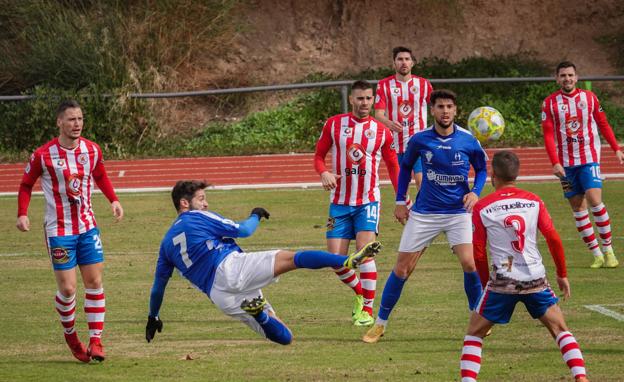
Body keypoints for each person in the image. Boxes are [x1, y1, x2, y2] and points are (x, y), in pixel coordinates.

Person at [145, 180, 382, 345]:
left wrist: (153, 317)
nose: (206, 204)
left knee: (285, 337)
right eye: (201, 199)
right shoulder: (196, 217)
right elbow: (244, 230)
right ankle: (348, 259)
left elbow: (158, 286)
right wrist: (256, 214)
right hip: (230, 268)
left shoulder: (166, 243)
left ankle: (260, 315)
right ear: (184, 204)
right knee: (293, 258)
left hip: (219, 296)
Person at [363, 89, 488, 343]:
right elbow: (405, 166)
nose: (445, 111)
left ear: (456, 110)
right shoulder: (420, 139)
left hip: (458, 213)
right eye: (440, 106)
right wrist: (400, 200)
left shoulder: (468, 139)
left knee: (469, 264)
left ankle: (478, 318)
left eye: (449, 107)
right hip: (424, 214)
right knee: (402, 269)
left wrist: (475, 192)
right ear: (432, 110)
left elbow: (483, 168)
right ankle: (380, 323)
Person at [458, 150, 588, 382]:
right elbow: (554, 238)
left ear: (492, 175)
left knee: (475, 333)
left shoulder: (483, 207)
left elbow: (478, 251)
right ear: (517, 174)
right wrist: (562, 274)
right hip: (535, 278)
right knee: (559, 328)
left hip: (503, 281)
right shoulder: (533, 200)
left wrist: (487, 281)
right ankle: (581, 377)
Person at [16, 99, 124, 363]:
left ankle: (96, 340)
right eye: (72, 119)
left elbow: (100, 176)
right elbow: (26, 185)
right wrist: (22, 214)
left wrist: (114, 200)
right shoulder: (43, 155)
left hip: (88, 227)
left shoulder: (92, 150)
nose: (77, 124)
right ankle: (71, 336)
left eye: (80, 119)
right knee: (67, 290)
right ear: (59, 122)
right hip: (59, 230)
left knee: (95, 282)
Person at [314, 80, 403, 327]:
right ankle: (361, 293)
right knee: (335, 260)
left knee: (365, 254)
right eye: (360, 98)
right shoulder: (334, 124)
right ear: (351, 99)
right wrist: (324, 173)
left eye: (368, 98)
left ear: (374, 100)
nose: (364, 103)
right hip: (339, 203)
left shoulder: (382, 131)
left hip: (368, 201)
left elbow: (394, 166)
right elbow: (319, 156)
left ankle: (366, 309)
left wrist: (401, 198)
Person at [541, 60, 623, 269]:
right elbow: (548, 136)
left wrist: (616, 148)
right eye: (563, 75)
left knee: (595, 200)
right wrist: (555, 162)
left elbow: (603, 123)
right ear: (557, 78)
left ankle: (609, 250)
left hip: (588, 159)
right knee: (578, 207)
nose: (567, 79)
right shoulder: (549, 103)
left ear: (576, 78)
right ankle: (596, 254)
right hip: (566, 166)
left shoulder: (590, 98)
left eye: (570, 75)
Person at [375, 46, 433, 190]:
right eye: (400, 59)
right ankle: (405, 209)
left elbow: (435, 107)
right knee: (401, 185)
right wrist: (389, 123)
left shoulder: (423, 84)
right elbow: (378, 114)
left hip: (419, 140)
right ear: (394, 63)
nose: (404, 62)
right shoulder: (384, 85)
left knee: (421, 181)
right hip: (396, 142)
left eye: (407, 59)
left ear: (412, 62)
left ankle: (422, 212)